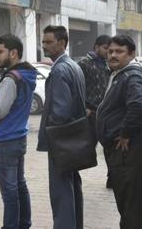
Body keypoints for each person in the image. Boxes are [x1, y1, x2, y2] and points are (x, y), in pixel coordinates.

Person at [0, 34, 36, 229]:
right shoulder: (25, 74)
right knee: (19, 186)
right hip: (18, 137)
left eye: (0, 51)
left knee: (9, 192)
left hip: (5, 140)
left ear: (13, 53)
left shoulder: (11, 79)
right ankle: (24, 224)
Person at [96, 35, 142, 228]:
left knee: (130, 205)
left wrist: (125, 133)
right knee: (126, 203)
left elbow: (138, 106)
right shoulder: (120, 73)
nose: (112, 55)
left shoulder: (132, 75)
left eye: (119, 52)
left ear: (131, 54)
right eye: (110, 51)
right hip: (119, 150)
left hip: (127, 149)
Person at [36, 25, 86, 229]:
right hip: (73, 138)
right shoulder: (73, 65)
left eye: (49, 42)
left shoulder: (60, 69)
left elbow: (61, 111)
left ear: (62, 43)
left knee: (61, 193)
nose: (44, 46)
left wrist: (53, 135)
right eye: (43, 42)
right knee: (72, 187)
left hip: (62, 140)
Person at [76, 35, 112, 188]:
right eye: (106, 48)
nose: (108, 52)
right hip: (90, 112)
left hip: (105, 113)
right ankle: (73, 176)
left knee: (110, 147)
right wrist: (84, 108)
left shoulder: (108, 64)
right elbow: (76, 87)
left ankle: (112, 177)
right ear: (96, 47)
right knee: (85, 148)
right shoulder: (84, 63)